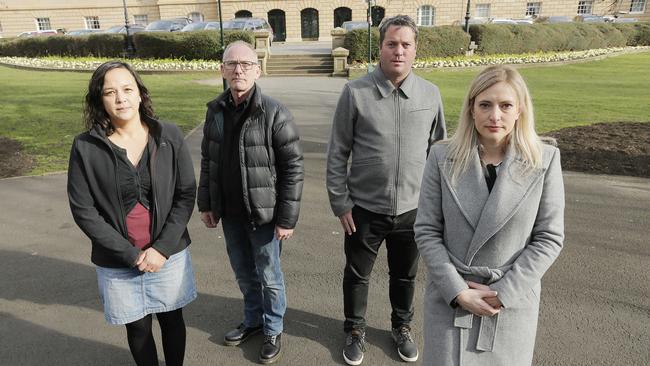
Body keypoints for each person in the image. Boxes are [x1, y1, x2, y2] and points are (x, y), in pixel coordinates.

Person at [414, 65, 565, 365]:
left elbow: (549, 237)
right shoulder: (441, 157)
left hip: (511, 301)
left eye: (505, 105)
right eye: (485, 104)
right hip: (452, 300)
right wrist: (457, 291)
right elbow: (427, 230)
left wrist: (503, 292)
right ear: (471, 108)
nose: (495, 115)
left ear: (520, 109)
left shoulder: (544, 160)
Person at [326, 15, 447, 365]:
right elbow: (338, 152)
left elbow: (438, 153)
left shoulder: (430, 94)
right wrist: (340, 202)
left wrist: (435, 206)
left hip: (414, 210)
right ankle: (354, 330)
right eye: (391, 44)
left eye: (405, 44)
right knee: (357, 275)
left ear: (415, 49)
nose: (398, 51)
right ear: (380, 48)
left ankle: (401, 326)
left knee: (405, 275)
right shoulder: (356, 92)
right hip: (363, 208)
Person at [67, 61, 197, 366]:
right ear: (100, 100)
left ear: (140, 94)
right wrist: (130, 254)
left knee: (172, 319)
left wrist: (161, 249)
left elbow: (185, 193)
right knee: (138, 328)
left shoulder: (169, 135)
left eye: (127, 89)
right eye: (110, 92)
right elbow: (84, 210)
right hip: (119, 260)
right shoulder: (86, 147)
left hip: (167, 254)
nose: (120, 98)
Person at [197, 41, 303, 364]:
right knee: (244, 272)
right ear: (222, 70)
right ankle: (254, 319)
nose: (238, 69)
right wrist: (207, 204)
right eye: (231, 63)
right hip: (230, 213)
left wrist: (287, 218)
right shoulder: (215, 111)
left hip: (265, 215)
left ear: (258, 69)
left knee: (269, 275)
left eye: (245, 63)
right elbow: (208, 160)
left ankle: (273, 327)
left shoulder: (274, 112)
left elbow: (293, 168)